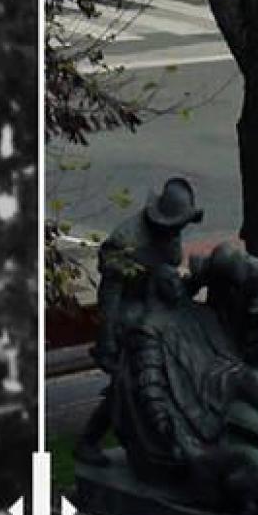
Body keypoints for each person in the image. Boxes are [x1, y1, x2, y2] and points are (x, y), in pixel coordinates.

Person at [75, 177, 204, 467]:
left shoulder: (170, 231)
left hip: (156, 308)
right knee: (127, 384)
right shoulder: (125, 241)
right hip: (129, 316)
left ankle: (170, 436)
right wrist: (107, 340)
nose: (179, 231)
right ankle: (90, 441)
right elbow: (110, 297)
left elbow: (167, 271)